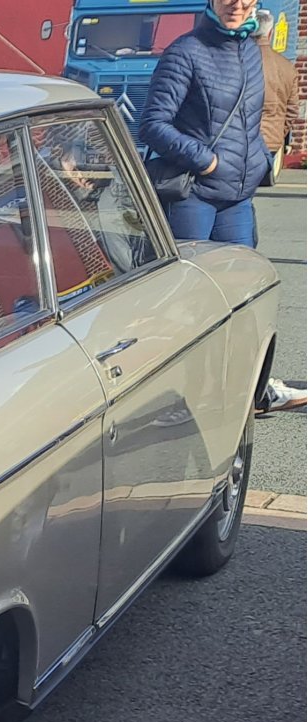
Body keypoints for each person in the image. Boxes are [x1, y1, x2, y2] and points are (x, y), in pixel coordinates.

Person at [144, 1, 301, 413]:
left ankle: (254, 388)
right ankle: (175, 398)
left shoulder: (249, 51)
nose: (236, 5)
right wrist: (206, 160)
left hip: (238, 197)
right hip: (194, 195)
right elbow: (153, 123)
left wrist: (258, 163)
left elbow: (254, 120)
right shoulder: (186, 51)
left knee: (247, 298)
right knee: (188, 303)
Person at [254, 8, 299, 183]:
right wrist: (279, 133)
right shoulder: (287, 67)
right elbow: (292, 111)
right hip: (271, 140)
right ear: (270, 33)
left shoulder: (236, 60)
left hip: (236, 142)